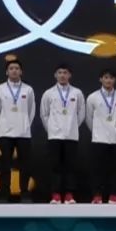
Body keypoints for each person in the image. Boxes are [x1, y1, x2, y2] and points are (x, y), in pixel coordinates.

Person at [40, 64, 84, 204]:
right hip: (54, 136)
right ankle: (56, 195)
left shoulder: (77, 93)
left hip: (71, 135)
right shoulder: (49, 93)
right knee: (55, 166)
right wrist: (51, 129)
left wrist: (72, 126)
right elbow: (44, 114)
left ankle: (69, 194)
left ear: (70, 75)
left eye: (65, 72)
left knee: (70, 166)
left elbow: (81, 113)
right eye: (60, 72)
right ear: (55, 75)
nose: (62, 75)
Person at [0, 59, 35, 203]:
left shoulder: (28, 89)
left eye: (17, 68)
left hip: (24, 132)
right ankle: (4, 194)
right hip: (5, 132)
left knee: (25, 165)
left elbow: (31, 111)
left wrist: (25, 125)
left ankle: (25, 194)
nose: (14, 71)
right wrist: (4, 123)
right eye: (11, 68)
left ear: (21, 71)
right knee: (5, 165)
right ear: (7, 72)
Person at [84, 68, 116, 204]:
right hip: (99, 139)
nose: (108, 80)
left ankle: (114, 195)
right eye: (106, 77)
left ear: (115, 80)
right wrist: (97, 131)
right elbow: (88, 118)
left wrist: (115, 129)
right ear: (100, 79)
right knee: (97, 169)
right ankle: (97, 195)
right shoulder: (92, 97)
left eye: (111, 78)